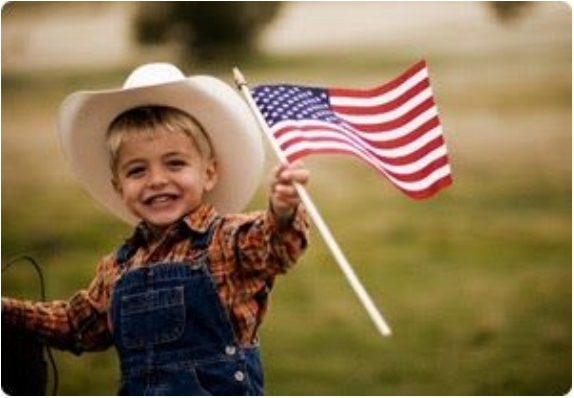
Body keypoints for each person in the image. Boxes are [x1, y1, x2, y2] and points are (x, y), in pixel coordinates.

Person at [2, 63, 310, 395]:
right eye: (137, 170)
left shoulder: (226, 239)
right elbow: (78, 325)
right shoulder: (118, 267)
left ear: (209, 173)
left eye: (175, 163)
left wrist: (282, 211)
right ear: (118, 186)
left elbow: (273, 246)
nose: (157, 180)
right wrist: (8, 310)